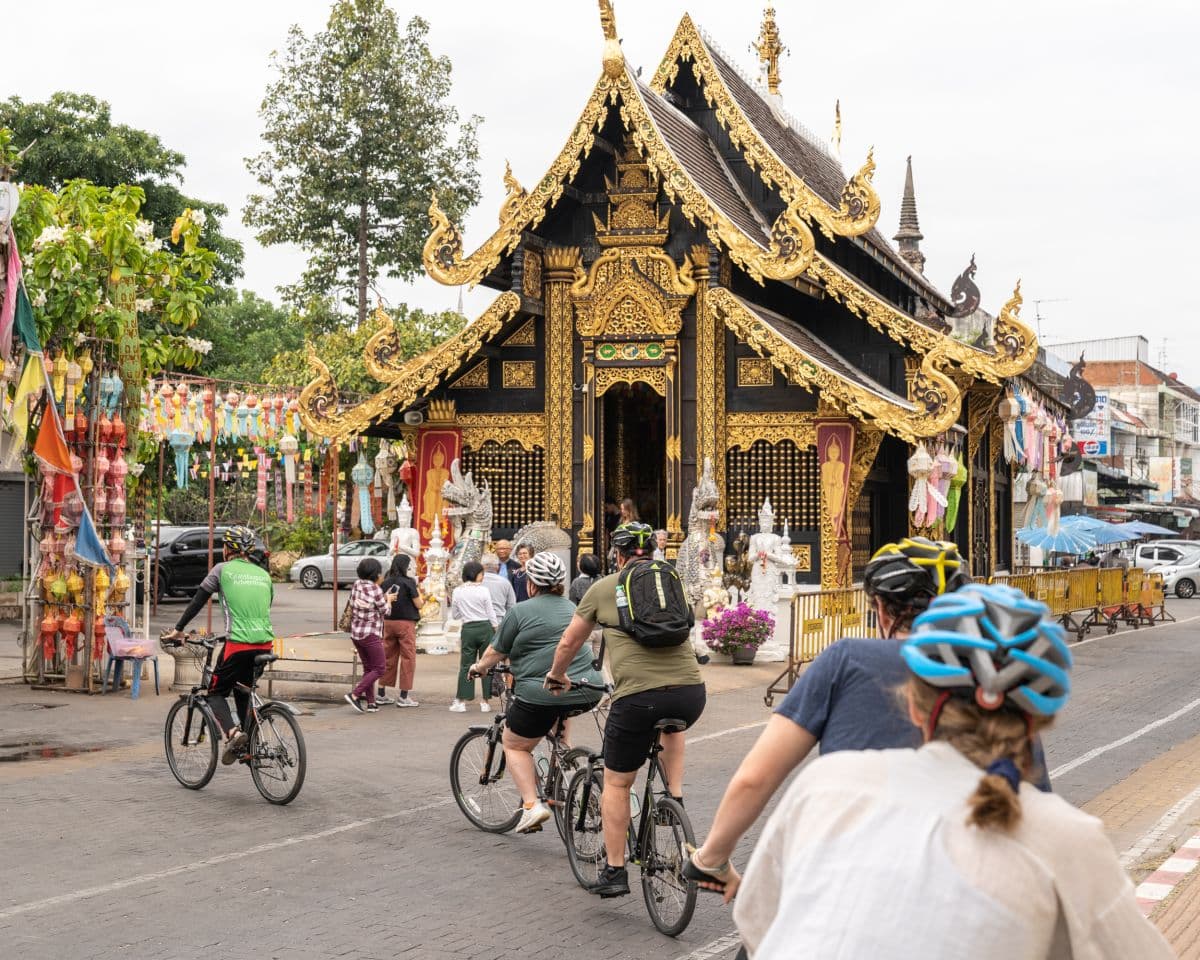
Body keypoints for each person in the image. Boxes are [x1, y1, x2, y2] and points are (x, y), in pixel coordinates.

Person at [731, 584, 1174, 960]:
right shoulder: (1066, 838)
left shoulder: (825, 783)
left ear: (912, 704)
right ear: (1039, 722)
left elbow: (759, 923)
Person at [687, 537, 974, 898]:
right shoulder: (997, 678)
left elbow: (754, 778)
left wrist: (711, 858)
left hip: (849, 883)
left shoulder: (847, 659)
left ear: (883, 611)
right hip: (962, 887)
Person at [546, 521, 705, 898]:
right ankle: (674, 797)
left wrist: (556, 675)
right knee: (672, 726)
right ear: (652, 550)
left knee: (617, 783)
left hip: (638, 698)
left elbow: (570, 641)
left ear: (617, 554)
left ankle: (615, 870)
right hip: (691, 693)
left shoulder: (604, 588)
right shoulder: (674, 581)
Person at [467, 552, 604, 834]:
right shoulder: (573, 608)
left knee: (515, 744)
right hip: (587, 688)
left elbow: (495, 651)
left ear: (531, 583)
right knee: (558, 719)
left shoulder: (520, 611)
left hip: (543, 691)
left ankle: (532, 805)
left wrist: (479, 668)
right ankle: (567, 763)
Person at [161, 526, 275, 765]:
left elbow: (198, 601)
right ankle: (247, 746)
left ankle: (233, 734)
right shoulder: (263, 575)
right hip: (265, 645)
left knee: (215, 693)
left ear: (227, 549)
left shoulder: (222, 570)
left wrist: (178, 629)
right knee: (243, 687)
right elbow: (262, 607)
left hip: (238, 645)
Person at [344, 557, 395, 714]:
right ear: (375, 574)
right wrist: (390, 600)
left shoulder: (356, 585)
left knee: (369, 668)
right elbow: (386, 611)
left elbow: (354, 604)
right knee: (380, 668)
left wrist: (381, 600)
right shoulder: (376, 589)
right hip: (370, 634)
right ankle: (355, 694)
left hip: (356, 633)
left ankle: (371, 703)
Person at [450, 561, 499, 713]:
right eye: (481, 573)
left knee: (466, 664)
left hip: (468, 629)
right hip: (485, 628)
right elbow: (490, 612)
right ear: (476, 574)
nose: (483, 576)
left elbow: (456, 615)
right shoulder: (484, 590)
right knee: (486, 664)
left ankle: (462, 700)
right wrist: (496, 628)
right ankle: (485, 702)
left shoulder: (457, 591)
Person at [379, 554, 422, 708]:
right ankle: (403, 696)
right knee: (407, 659)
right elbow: (419, 604)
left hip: (388, 623)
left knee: (387, 657)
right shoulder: (409, 582)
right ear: (406, 566)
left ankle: (381, 693)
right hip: (405, 624)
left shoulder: (386, 582)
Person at [481, 552, 517, 621]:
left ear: (482, 566)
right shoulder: (505, 583)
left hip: (479, 621)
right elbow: (512, 606)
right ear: (497, 567)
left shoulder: (476, 582)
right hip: (499, 621)